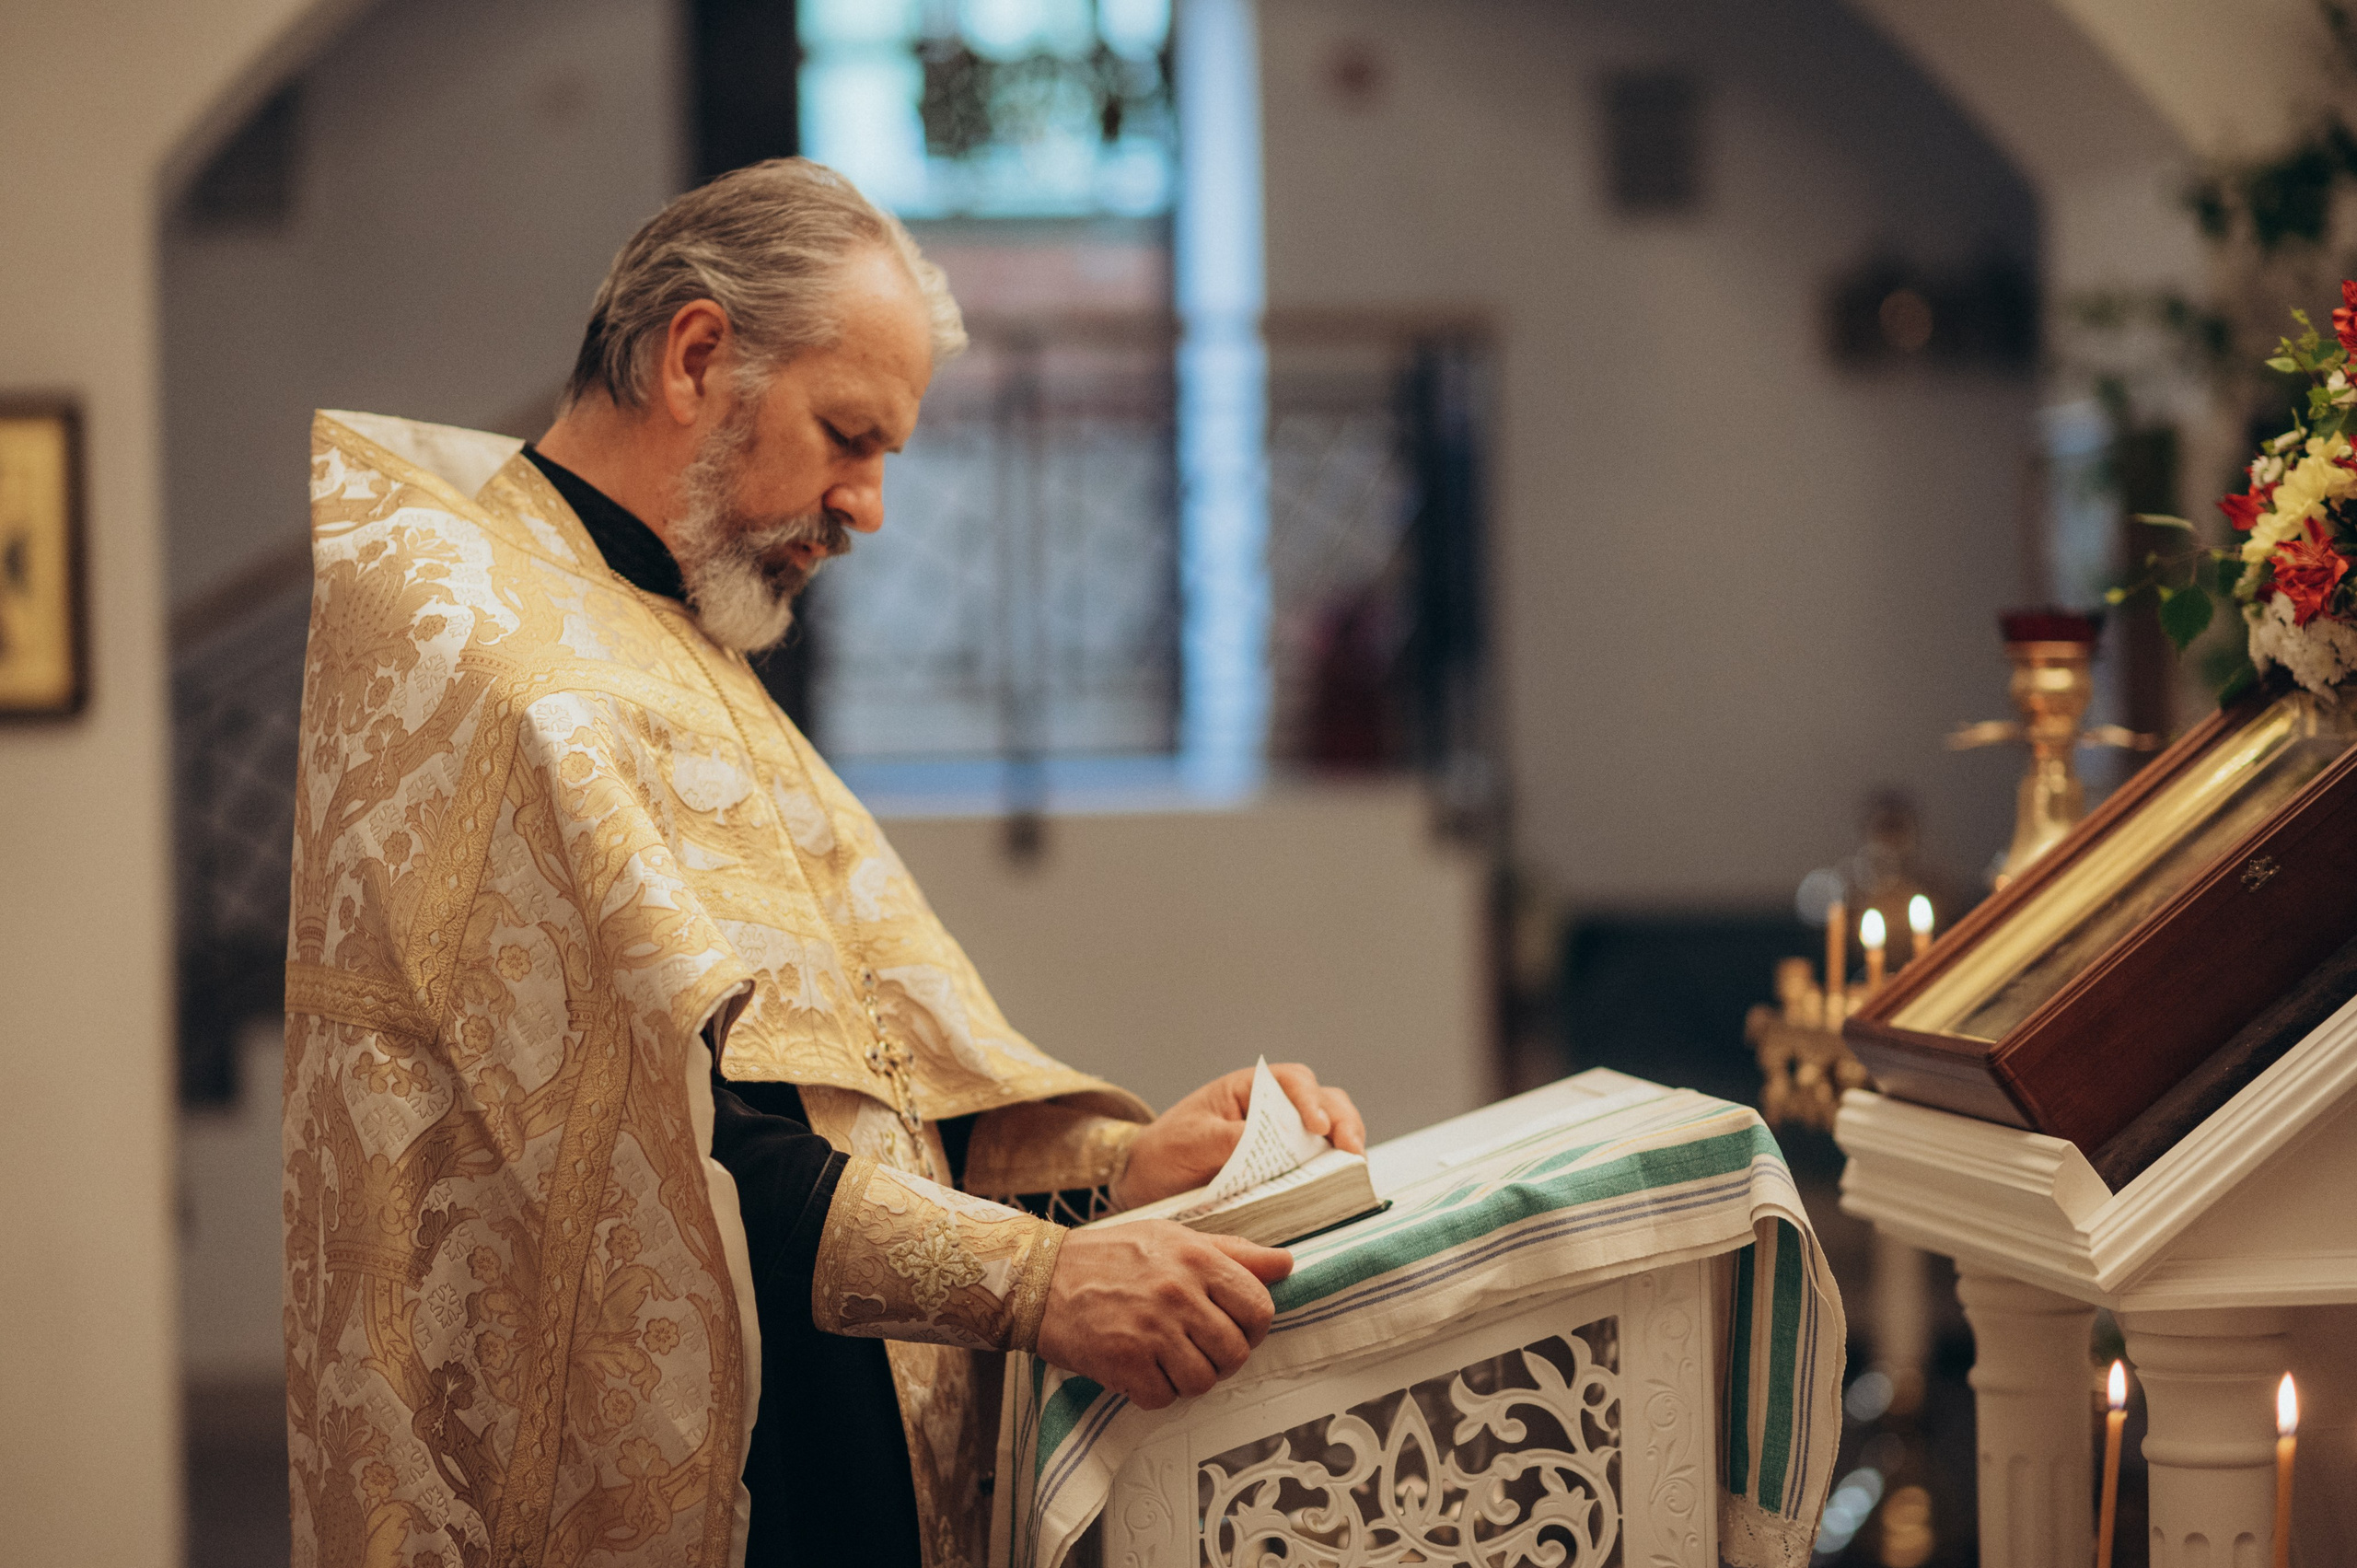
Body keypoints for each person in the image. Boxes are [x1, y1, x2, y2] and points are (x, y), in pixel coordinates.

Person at [282, 157, 1363, 1568]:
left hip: (822, 1406)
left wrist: (1119, 1170)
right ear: (696, 355)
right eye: (848, 434)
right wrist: (1042, 1279)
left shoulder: (671, 637)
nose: (867, 506)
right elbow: (667, 1149)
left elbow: (863, 1086)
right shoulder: (492, 650)